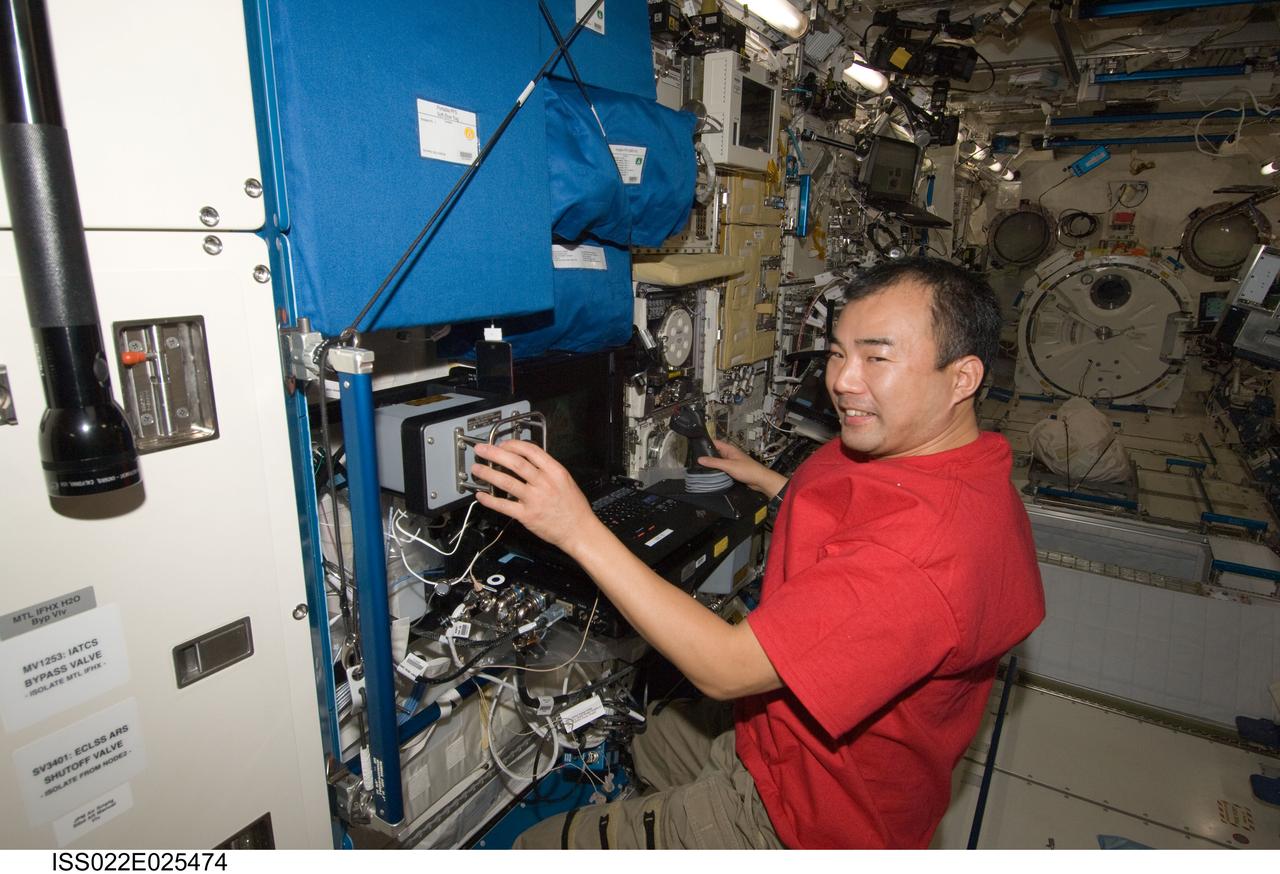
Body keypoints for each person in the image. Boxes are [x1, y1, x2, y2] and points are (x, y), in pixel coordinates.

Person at [470, 257, 1045, 848]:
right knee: (644, 737)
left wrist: (577, 529)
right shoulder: (941, 459)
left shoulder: (926, 555)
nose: (843, 380)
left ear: (962, 377)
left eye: (876, 357)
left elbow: (725, 667)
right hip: (774, 736)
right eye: (838, 352)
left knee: (532, 848)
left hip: (804, 816)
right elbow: (865, 521)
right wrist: (772, 484)